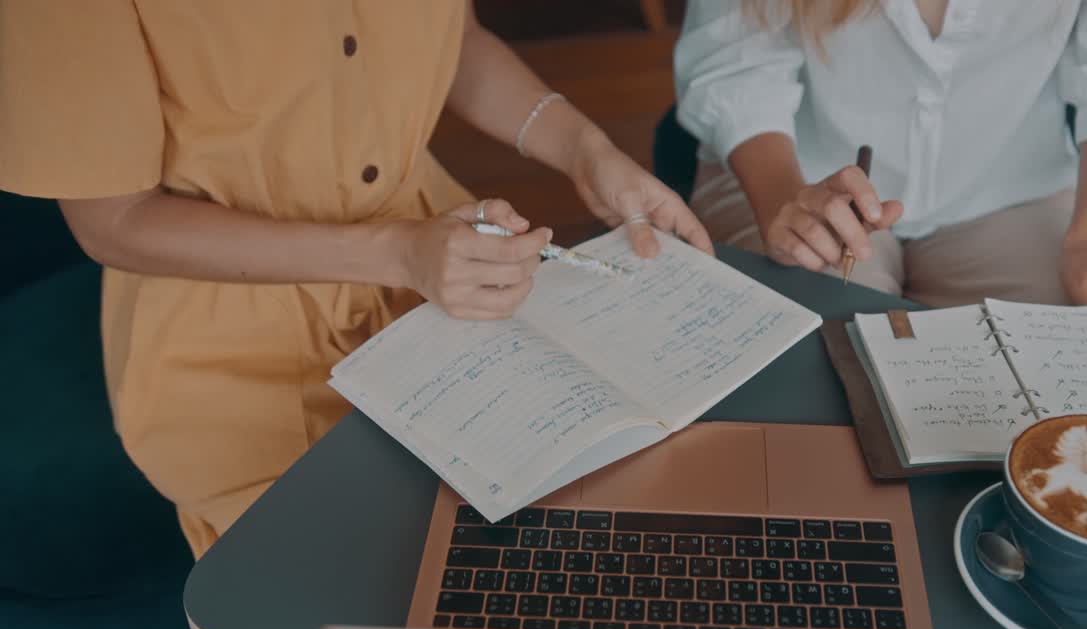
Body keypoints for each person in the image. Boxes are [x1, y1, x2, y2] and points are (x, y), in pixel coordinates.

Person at [0, 1, 711, 559]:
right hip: (229, 354)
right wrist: (396, 255)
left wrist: (586, 150)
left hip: (441, 286)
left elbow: (452, 41)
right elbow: (113, 222)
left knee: (558, 562)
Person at [674, 0, 1087, 342]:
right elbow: (737, 62)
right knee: (803, 365)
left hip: (1010, 181)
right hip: (798, 172)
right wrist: (783, 206)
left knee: (1057, 381)